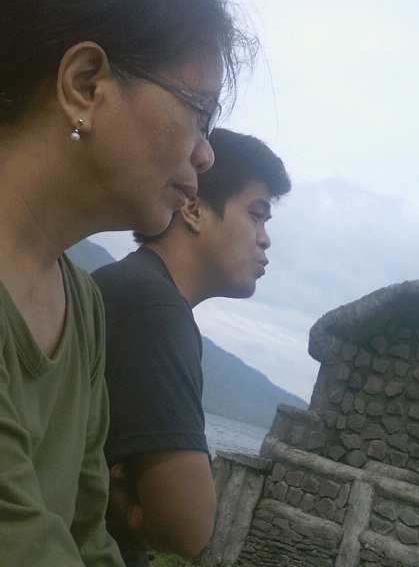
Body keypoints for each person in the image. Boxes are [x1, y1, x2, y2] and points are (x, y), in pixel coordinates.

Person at [0, 0, 253, 565]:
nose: (206, 153)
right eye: (199, 112)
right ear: (86, 84)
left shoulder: (83, 306)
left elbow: (87, 532)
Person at [92, 128, 291, 566]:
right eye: (256, 215)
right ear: (194, 209)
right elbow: (189, 529)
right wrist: (146, 518)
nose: (265, 239)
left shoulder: (125, 286)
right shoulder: (155, 310)